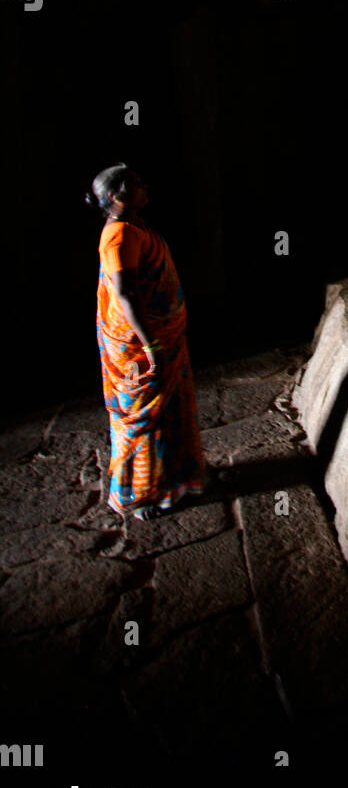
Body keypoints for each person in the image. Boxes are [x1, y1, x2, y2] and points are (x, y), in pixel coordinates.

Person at [86, 163, 206, 521]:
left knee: (168, 412)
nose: (144, 185)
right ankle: (139, 493)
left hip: (161, 336)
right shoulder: (118, 235)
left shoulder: (134, 226)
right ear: (117, 196)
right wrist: (150, 343)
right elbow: (125, 293)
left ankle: (173, 483)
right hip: (141, 345)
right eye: (136, 183)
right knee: (144, 418)